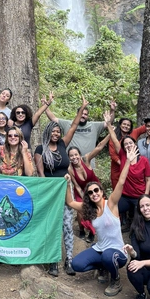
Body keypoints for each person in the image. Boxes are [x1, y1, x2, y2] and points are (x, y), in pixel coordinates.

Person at [65, 146, 138, 296]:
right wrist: (67, 184)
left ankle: (115, 280)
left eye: (96, 190)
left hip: (118, 252)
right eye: (90, 192)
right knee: (76, 264)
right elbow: (71, 203)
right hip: (101, 248)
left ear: (101, 191)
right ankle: (103, 267)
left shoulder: (111, 203)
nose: (94, 194)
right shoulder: (89, 208)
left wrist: (128, 162)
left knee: (108, 256)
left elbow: (121, 182)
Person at [34, 97, 89, 277]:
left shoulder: (63, 144)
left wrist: (82, 107)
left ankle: (69, 261)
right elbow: (41, 173)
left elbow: (73, 125)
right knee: (52, 225)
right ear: (48, 131)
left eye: (58, 131)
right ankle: (53, 261)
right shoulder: (40, 149)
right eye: (54, 131)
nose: (56, 134)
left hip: (66, 189)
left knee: (66, 224)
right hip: (50, 192)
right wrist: (46, 191)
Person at [106, 121, 150, 228]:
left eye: (130, 143)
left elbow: (148, 179)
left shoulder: (144, 160)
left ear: (135, 145)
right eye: (126, 144)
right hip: (125, 196)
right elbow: (114, 139)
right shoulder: (122, 155)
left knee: (140, 221)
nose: (128, 145)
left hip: (139, 196)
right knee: (110, 209)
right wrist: (108, 124)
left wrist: (145, 195)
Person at [108, 102, 150, 189]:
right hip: (118, 167)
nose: (126, 126)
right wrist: (124, 164)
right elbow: (113, 155)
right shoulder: (114, 137)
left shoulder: (134, 133)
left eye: (128, 125)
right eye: (124, 124)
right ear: (120, 125)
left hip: (133, 166)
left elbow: (147, 127)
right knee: (118, 188)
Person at [67, 132, 110, 242]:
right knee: (81, 211)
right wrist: (86, 199)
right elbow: (76, 185)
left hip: (95, 188)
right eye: (71, 156)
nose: (74, 157)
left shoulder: (86, 159)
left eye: (76, 154)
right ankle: (81, 229)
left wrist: (110, 133)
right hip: (81, 191)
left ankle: (92, 231)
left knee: (97, 209)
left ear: (79, 154)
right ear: (69, 157)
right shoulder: (70, 169)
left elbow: (99, 147)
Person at [45, 99, 113, 168]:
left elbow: (108, 123)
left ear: (88, 116)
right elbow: (53, 119)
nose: (83, 116)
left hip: (88, 164)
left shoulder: (94, 126)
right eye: (82, 113)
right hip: (71, 165)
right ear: (77, 114)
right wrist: (45, 106)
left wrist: (112, 110)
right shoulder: (68, 124)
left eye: (85, 114)